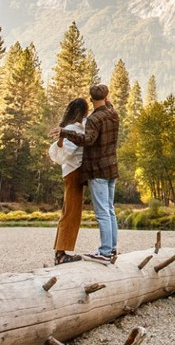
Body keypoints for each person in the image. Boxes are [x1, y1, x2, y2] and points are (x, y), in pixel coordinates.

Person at [53, 83, 119, 262]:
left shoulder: (92, 120)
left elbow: (87, 140)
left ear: (91, 99)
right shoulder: (113, 114)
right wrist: (64, 135)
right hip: (109, 168)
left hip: (96, 169)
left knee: (100, 212)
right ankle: (110, 249)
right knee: (107, 210)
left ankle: (105, 251)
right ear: (106, 97)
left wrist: (63, 133)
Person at [48, 97, 88, 265]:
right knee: (71, 213)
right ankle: (61, 254)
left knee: (69, 211)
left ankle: (60, 251)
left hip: (71, 172)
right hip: (74, 172)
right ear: (81, 112)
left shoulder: (71, 127)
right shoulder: (72, 129)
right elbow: (66, 152)